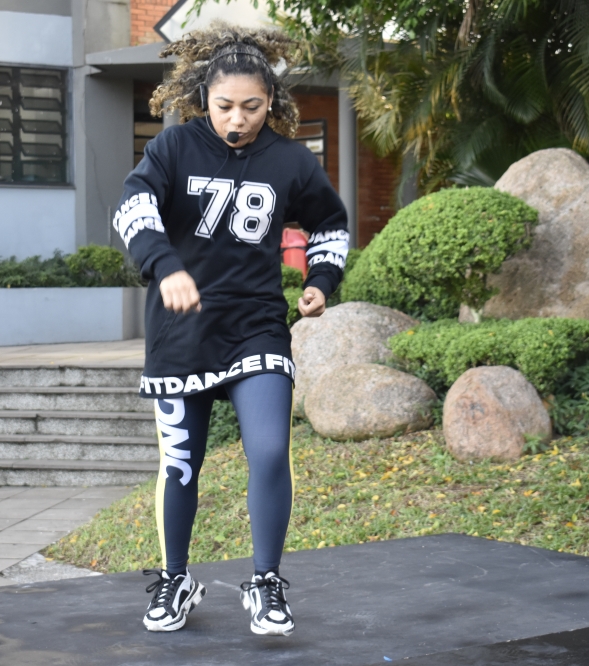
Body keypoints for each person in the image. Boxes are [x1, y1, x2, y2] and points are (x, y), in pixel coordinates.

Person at [112, 23, 349, 637]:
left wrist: (322, 279)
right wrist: (165, 266)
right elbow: (132, 207)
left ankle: (266, 583)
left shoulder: (291, 160)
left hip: (256, 327)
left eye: (251, 106)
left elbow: (330, 225)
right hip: (181, 332)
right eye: (224, 106)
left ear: (271, 101)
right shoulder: (173, 147)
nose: (237, 119)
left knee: (269, 451)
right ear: (202, 98)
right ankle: (175, 578)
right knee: (180, 464)